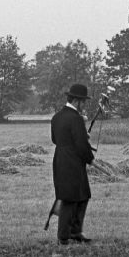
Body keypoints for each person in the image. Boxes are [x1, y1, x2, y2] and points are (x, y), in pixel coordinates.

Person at [49, 83, 95, 245]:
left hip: (60, 159)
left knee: (82, 195)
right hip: (73, 162)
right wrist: (90, 158)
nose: (84, 106)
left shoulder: (57, 117)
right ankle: (63, 236)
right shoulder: (75, 119)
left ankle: (75, 232)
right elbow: (81, 144)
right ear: (76, 101)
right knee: (69, 198)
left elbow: (55, 139)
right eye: (83, 102)